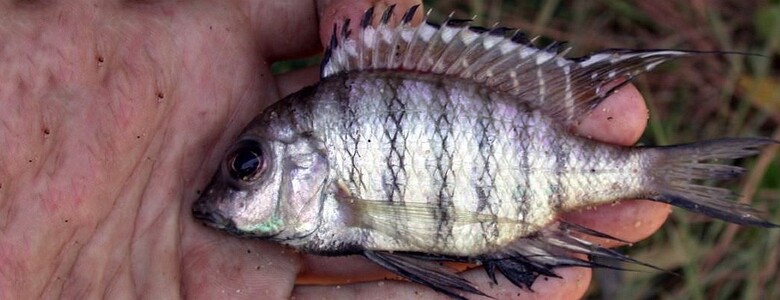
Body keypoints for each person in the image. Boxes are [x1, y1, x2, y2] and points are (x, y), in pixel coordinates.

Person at [0, 0, 670, 298]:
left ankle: (656, 175)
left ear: (306, 162)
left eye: (248, 165)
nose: (230, 187)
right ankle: (655, 177)